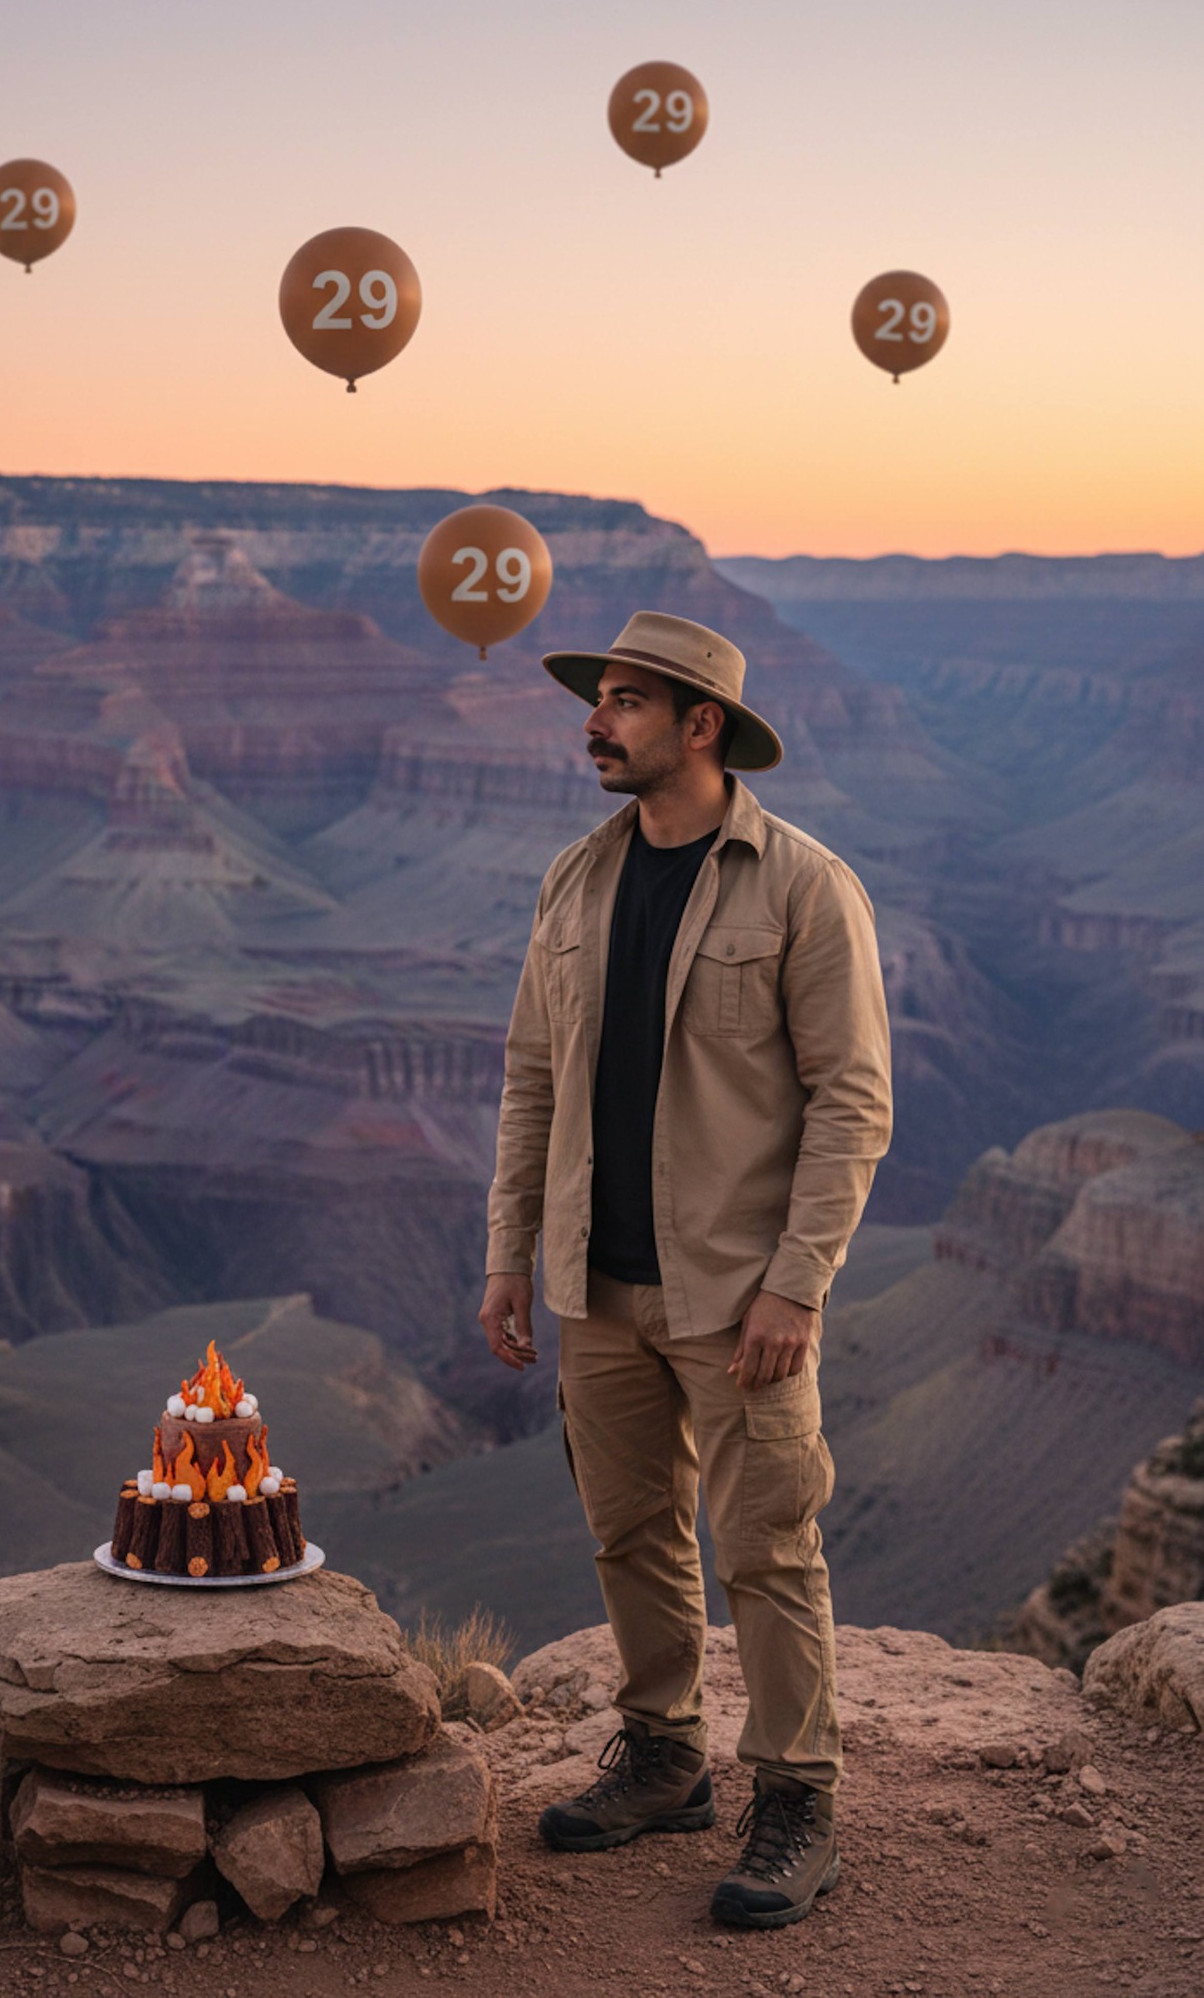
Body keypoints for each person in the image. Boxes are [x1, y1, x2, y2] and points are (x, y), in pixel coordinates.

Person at [479, 611, 893, 1929]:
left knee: (766, 1546)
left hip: (735, 1292)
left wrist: (798, 1282)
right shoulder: (576, 880)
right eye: (599, 700)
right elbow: (531, 1080)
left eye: (623, 703)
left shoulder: (802, 887)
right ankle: (664, 1758)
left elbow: (852, 1102)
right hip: (595, 1285)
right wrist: (509, 1257)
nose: (594, 723)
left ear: (700, 725)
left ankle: (798, 1800)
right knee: (631, 1532)